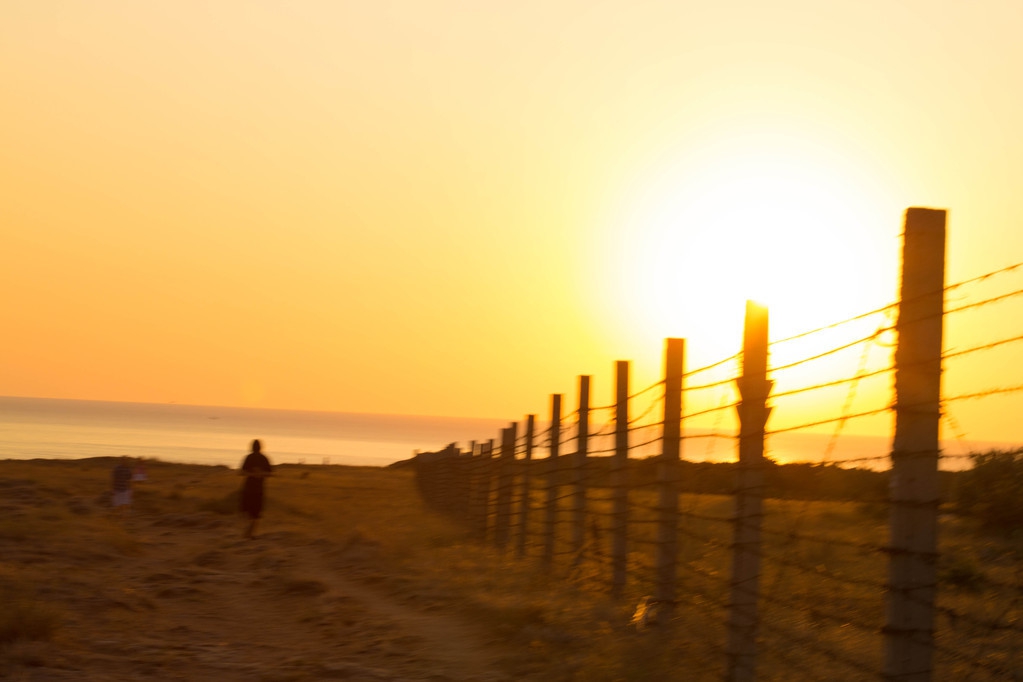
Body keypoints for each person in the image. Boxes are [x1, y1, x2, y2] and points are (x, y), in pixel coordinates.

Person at [239, 439, 272, 539]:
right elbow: (270, 473)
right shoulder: (264, 458)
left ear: (252, 447)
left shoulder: (249, 458)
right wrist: (259, 474)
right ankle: (251, 533)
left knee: (248, 512)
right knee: (256, 513)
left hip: (249, 489)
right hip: (258, 490)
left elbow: (241, 472)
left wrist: (254, 473)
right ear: (261, 447)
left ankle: (249, 532)